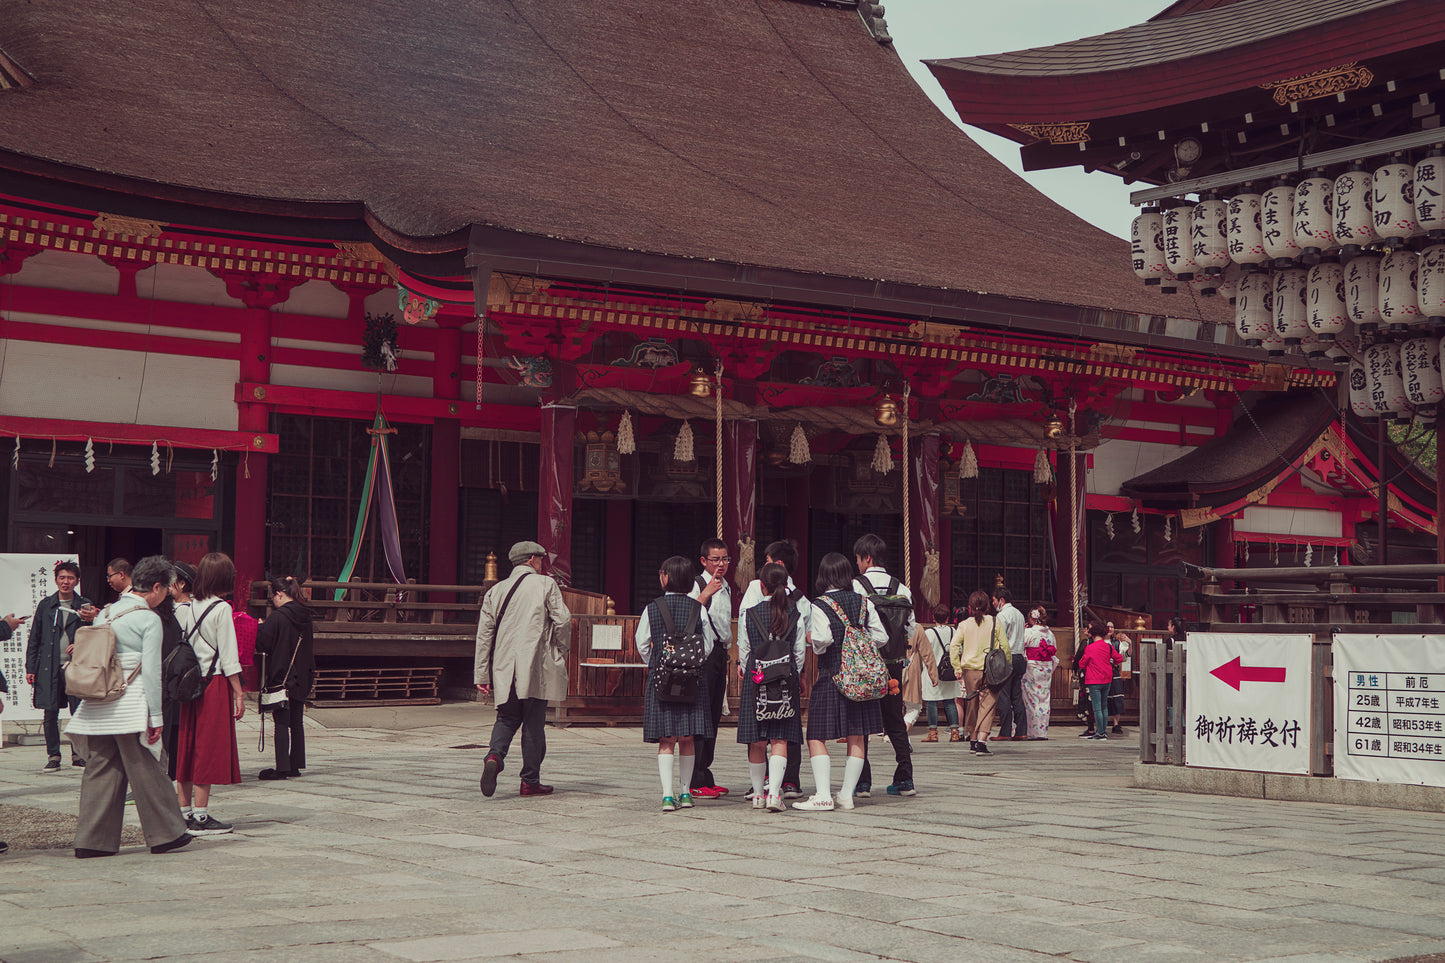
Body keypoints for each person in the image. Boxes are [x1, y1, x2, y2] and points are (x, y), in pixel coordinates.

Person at [66, 556, 191, 857]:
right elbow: (152, 671)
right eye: (167, 589)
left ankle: (92, 841)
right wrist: (157, 714)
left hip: (97, 702)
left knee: (101, 767)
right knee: (147, 767)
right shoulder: (148, 618)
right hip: (130, 701)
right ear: (157, 587)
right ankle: (167, 835)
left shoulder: (105, 613)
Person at [793, 552, 888, 812]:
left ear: (823, 575)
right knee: (857, 735)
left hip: (832, 675)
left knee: (816, 735)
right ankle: (847, 794)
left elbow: (823, 640)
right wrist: (858, 637)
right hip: (860, 679)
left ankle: (823, 795)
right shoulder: (863, 602)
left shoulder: (820, 604)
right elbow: (881, 637)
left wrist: (810, 637)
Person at [475, 541, 572, 798]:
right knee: (532, 722)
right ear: (532, 559)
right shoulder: (545, 585)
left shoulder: (496, 591)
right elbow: (562, 619)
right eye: (540, 559)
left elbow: (484, 635)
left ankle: (494, 756)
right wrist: (561, 650)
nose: (542, 564)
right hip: (535, 666)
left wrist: (481, 674)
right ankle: (529, 781)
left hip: (505, 666)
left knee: (506, 718)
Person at [172, 552, 244, 835]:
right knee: (207, 748)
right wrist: (238, 692)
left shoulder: (185, 607)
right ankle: (201, 816)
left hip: (188, 684)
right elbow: (229, 656)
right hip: (213, 684)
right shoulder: (222, 609)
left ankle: (183, 811)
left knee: (187, 746)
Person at [636, 555, 715, 812]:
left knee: (666, 740)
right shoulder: (699, 608)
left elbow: (642, 643)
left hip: (662, 681)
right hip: (693, 681)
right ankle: (685, 793)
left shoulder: (652, 608)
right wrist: (692, 663)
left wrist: (658, 662)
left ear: (666, 577)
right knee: (688, 738)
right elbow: (709, 644)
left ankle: (667, 795)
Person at [738, 539, 812, 800]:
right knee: (780, 738)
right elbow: (800, 652)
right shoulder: (795, 613)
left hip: (756, 678)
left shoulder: (750, 613)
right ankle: (775, 796)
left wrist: (747, 669)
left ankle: (759, 794)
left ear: (762, 585)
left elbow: (745, 648)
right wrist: (795, 673)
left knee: (757, 739)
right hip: (785, 678)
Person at [852, 533, 915, 797]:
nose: (857, 563)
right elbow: (910, 628)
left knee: (863, 722)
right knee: (895, 721)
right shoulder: (902, 588)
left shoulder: (856, 586)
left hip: (866, 666)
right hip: (892, 666)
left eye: (857, 558)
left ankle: (863, 782)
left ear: (866, 557)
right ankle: (905, 779)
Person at [25, 560, 91, 772]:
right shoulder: (46, 605)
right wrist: (31, 668)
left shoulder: (85, 606)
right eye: (62, 577)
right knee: (50, 712)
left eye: (70, 578)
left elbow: (95, 636)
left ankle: (78, 754)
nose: (66, 582)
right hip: (48, 667)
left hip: (76, 667)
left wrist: (81, 642)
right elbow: (35, 638)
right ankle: (53, 755)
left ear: (77, 581)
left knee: (78, 712)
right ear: (55, 580)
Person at [254, 575, 315, 780]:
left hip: (282, 675)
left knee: (281, 721)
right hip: (302, 675)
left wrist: (260, 626)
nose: (273, 601)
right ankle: (295, 765)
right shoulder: (305, 617)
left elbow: (263, 643)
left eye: (273, 597)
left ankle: (282, 768)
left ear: (280, 594)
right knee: (296, 721)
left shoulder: (278, 617)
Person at [687, 538, 733, 800]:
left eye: (725, 559)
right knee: (701, 715)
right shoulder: (697, 584)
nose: (721, 564)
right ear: (703, 561)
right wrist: (706, 594)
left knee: (714, 714)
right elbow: (689, 613)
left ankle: (706, 773)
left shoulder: (725, 586)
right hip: (702, 655)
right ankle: (694, 777)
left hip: (720, 653)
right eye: (715, 559)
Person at [949, 590, 1004, 755]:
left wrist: (957, 668)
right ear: (988, 606)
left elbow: (953, 646)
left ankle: (972, 740)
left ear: (970, 607)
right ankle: (981, 741)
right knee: (987, 705)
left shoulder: (964, 625)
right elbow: (1005, 646)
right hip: (990, 670)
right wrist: (1005, 666)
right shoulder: (995, 622)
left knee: (971, 705)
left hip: (969, 669)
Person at [157, 561, 191, 780]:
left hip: (176, 673)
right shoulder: (172, 609)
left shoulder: (186, 611)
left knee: (174, 723)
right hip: (170, 673)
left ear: (181, 584)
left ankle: (172, 771)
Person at [915, 613, 959, 742]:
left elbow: (923, 651)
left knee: (931, 702)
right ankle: (955, 732)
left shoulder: (929, 633)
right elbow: (959, 649)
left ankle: (933, 733)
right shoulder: (953, 631)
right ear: (947, 618)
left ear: (933, 618)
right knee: (950, 701)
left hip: (932, 670)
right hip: (949, 671)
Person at [991, 586, 1027, 741]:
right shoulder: (1019, 614)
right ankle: (1021, 731)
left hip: (1007, 656)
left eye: (994, 600)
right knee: (1017, 696)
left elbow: (999, 637)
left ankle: (1005, 731)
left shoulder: (1002, 615)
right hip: (1020, 656)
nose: (993, 603)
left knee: (1003, 695)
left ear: (1001, 600)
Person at [1079, 620, 1125, 740]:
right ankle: (1103, 731)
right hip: (1107, 679)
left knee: (1097, 708)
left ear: (1092, 634)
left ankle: (1100, 732)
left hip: (1094, 680)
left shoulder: (1090, 648)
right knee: (1104, 706)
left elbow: (1082, 664)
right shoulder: (1108, 647)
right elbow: (1119, 658)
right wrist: (1112, 662)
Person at [1021, 606, 1057, 740]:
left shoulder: (1029, 632)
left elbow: (1021, 644)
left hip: (1032, 667)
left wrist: (1024, 631)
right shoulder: (1050, 634)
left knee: (1031, 699)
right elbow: (1054, 648)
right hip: (1046, 667)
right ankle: (1042, 732)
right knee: (1044, 699)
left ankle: (1032, 732)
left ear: (1031, 618)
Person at [1108, 624, 1132, 734]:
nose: (1110, 629)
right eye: (1108, 626)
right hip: (1102, 672)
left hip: (1114, 671)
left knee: (1117, 696)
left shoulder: (1117, 643)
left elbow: (1125, 656)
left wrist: (1130, 643)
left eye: (1112, 627)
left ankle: (1116, 724)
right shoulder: (1099, 641)